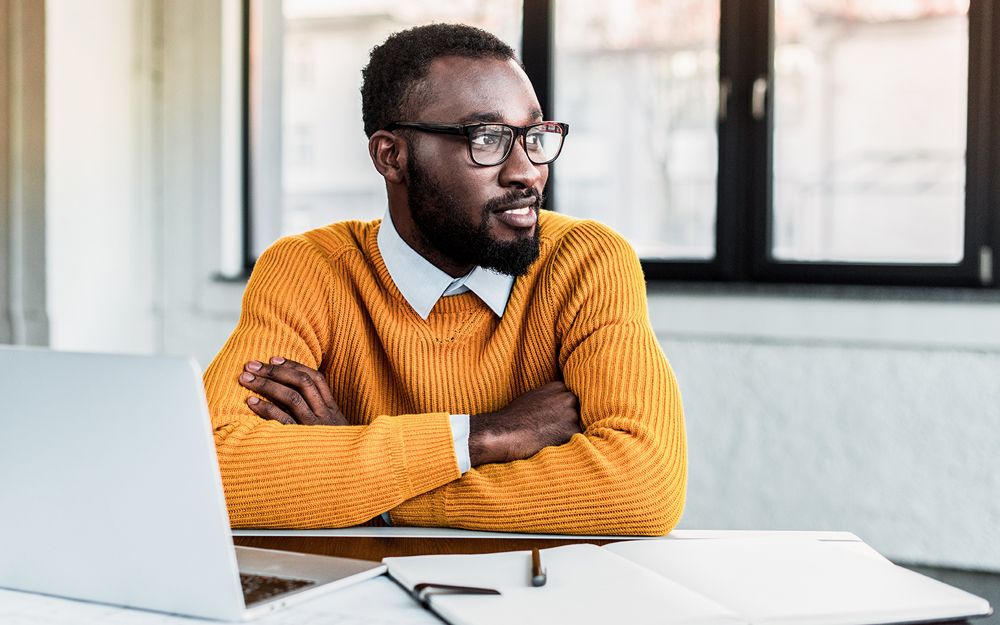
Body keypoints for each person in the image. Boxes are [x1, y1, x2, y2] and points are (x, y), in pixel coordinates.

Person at [203, 23, 686, 534]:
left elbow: (642, 486)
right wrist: (483, 436)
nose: (527, 172)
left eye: (534, 136)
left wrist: (369, 492)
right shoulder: (310, 268)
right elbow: (208, 466)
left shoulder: (585, 262)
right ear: (392, 156)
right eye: (488, 138)